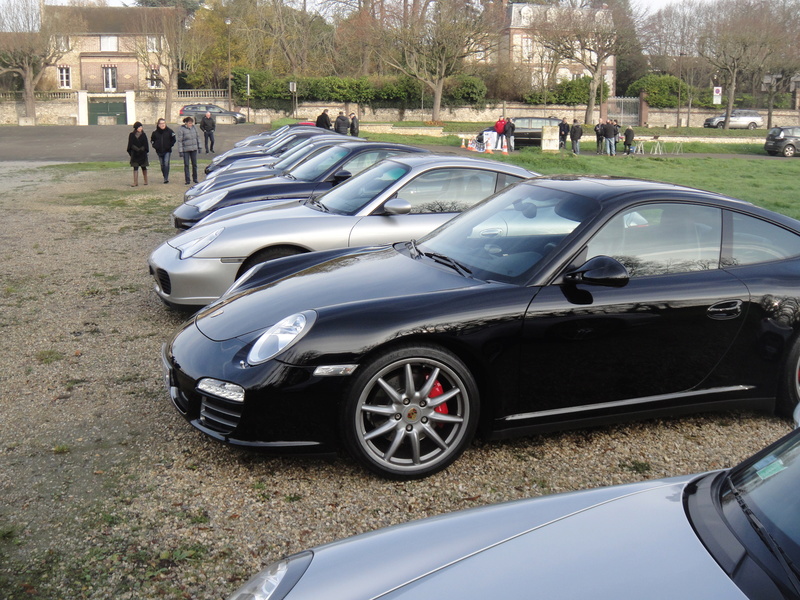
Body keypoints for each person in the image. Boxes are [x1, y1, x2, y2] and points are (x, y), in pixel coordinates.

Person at [176, 116, 202, 185]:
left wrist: (200, 147)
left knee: (194, 164)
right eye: (189, 123)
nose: (191, 124)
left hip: (194, 148)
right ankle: (187, 180)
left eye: (191, 123)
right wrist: (180, 151)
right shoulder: (181, 129)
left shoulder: (194, 128)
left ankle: (195, 178)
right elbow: (180, 141)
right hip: (186, 150)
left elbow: (198, 138)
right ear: (186, 123)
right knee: (186, 165)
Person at [150, 118, 175, 184]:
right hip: (159, 151)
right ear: (158, 125)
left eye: (163, 123)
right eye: (161, 123)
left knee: (166, 163)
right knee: (162, 164)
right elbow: (152, 140)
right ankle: (164, 176)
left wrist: (169, 145)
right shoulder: (155, 133)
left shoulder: (170, 131)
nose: (162, 125)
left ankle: (166, 178)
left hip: (167, 150)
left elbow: (173, 139)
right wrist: (155, 146)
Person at [126, 121, 149, 187]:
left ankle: (145, 181)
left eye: (141, 127)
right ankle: (135, 182)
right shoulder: (132, 135)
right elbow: (130, 144)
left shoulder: (144, 135)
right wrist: (135, 149)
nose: (140, 128)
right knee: (135, 167)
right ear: (136, 128)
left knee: (143, 167)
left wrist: (142, 149)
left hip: (142, 154)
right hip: (135, 154)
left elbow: (146, 144)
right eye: (139, 127)